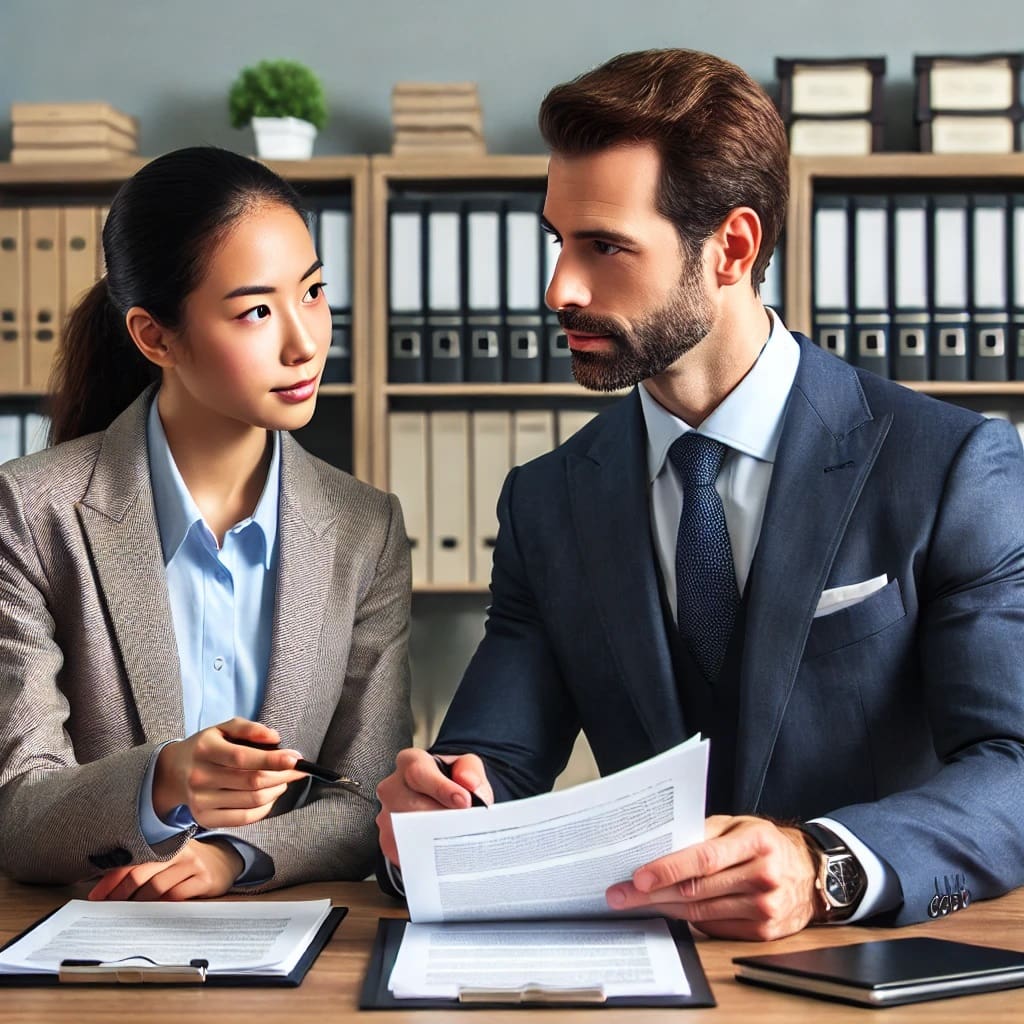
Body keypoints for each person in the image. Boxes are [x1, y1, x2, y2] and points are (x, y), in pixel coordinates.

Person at [376, 49, 1024, 939]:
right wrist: (437, 814)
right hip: (640, 976)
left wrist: (824, 863)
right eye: (557, 241)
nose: (558, 288)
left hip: (878, 969)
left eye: (604, 246)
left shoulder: (951, 465)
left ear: (734, 247)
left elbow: (1014, 765)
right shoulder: (547, 501)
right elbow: (494, 762)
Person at [0, 146, 412, 899]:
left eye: (313, 292)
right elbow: (20, 816)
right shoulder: (31, 513)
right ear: (156, 337)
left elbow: (367, 800)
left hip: (292, 962)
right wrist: (164, 781)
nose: (305, 341)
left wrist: (231, 859)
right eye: (256, 310)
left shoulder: (366, 529)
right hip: (80, 964)